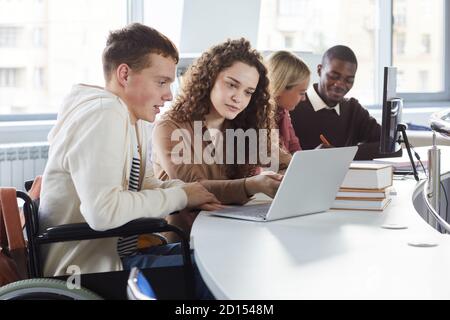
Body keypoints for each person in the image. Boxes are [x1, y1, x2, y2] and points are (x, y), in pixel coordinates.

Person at [38, 23, 221, 282]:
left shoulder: (133, 119)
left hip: (121, 256)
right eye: (161, 82)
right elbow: (103, 212)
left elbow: (145, 186)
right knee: (215, 272)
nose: (169, 95)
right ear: (124, 75)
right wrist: (181, 196)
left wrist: (190, 192)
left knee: (214, 257)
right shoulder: (103, 113)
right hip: (86, 272)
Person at [151, 39, 287, 235]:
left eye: (248, 92)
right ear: (209, 79)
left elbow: (283, 162)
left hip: (233, 232)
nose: (238, 98)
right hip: (187, 242)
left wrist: (288, 175)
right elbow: (195, 189)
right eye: (232, 85)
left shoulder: (242, 125)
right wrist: (253, 185)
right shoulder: (170, 126)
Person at [289, 45, 402, 160]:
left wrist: (340, 155)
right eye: (333, 76)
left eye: (349, 80)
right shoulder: (293, 106)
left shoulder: (353, 110)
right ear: (319, 70)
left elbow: (393, 146)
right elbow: (277, 160)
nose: (340, 84)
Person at [265, 51, 310, 154]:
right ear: (280, 88)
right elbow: (275, 159)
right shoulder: (256, 116)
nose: (304, 98)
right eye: (301, 92)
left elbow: (295, 148)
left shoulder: (283, 112)